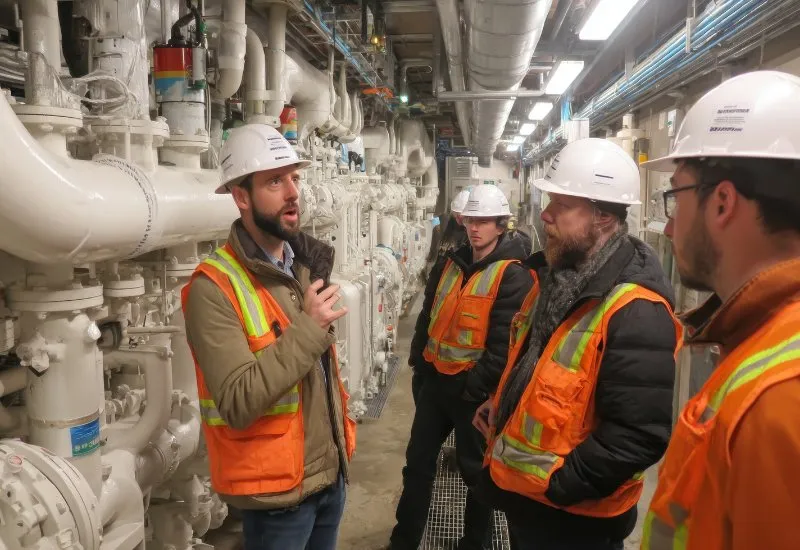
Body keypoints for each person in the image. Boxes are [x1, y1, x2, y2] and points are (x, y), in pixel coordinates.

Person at [474, 138, 681, 550]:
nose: (545, 214)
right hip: (531, 503)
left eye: (561, 204)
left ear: (602, 216)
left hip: (574, 522)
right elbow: (542, 364)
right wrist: (505, 403)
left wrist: (559, 487)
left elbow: (638, 435)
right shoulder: (559, 277)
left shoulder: (636, 309)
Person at [639, 70, 800, 550]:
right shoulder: (763, 341)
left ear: (723, 202)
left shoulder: (780, 398)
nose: (669, 228)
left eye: (675, 198)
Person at [182, 124, 356, 550]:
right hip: (278, 497)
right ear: (241, 196)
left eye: (294, 178)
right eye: (275, 182)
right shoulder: (213, 288)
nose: (293, 192)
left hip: (328, 477)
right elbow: (238, 401)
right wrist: (309, 329)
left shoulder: (303, 267)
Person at [389, 185, 535, 550]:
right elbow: (428, 315)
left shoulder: (513, 275)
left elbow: (504, 345)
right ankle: (403, 541)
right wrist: (419, 362)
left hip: (471, 394)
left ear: (500, 225)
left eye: (484, 221)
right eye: (471, 220)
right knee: (417, 465)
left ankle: (473, 544)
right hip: (436, 384)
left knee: (476, 475)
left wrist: (475, 388)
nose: (475, 228)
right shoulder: (451, 263)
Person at [411, 187, 473, 404]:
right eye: (457, 216)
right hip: (435, 343)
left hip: (462, 369)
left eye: (464, 217)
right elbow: (430, 305)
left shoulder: (473, 250)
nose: (460, 220)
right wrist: (418, 352)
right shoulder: (446, 233)